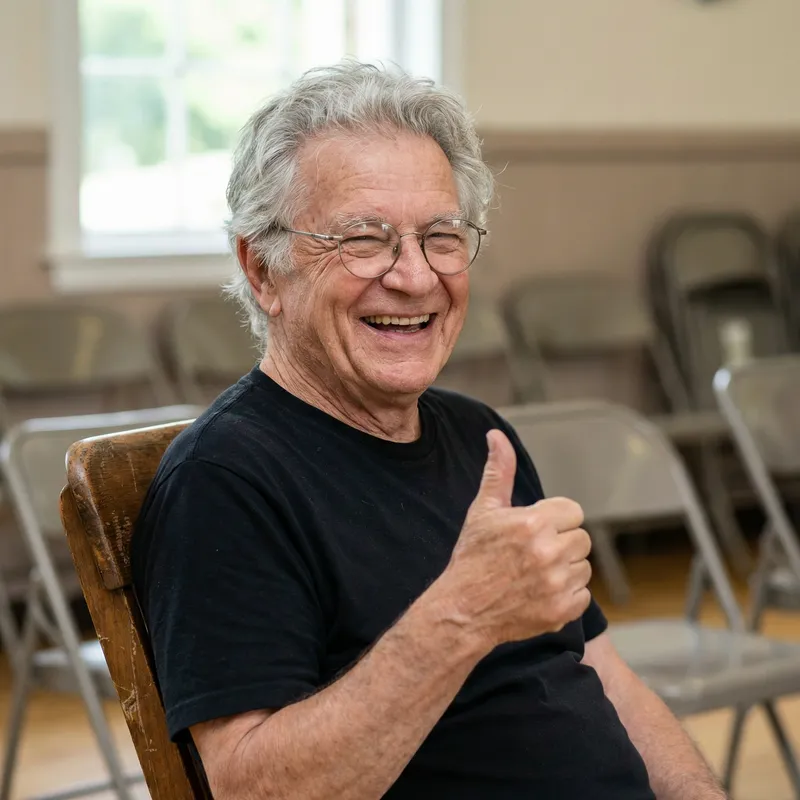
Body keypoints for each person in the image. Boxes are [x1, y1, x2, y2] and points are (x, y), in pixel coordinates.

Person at [132, 61, 726, 800]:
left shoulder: (482, 441)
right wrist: (463, 614)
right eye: (364, 239)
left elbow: (604, 675)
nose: (414, 277)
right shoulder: (225, 481)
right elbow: (254, 790)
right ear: (263, 271)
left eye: (441, 236)